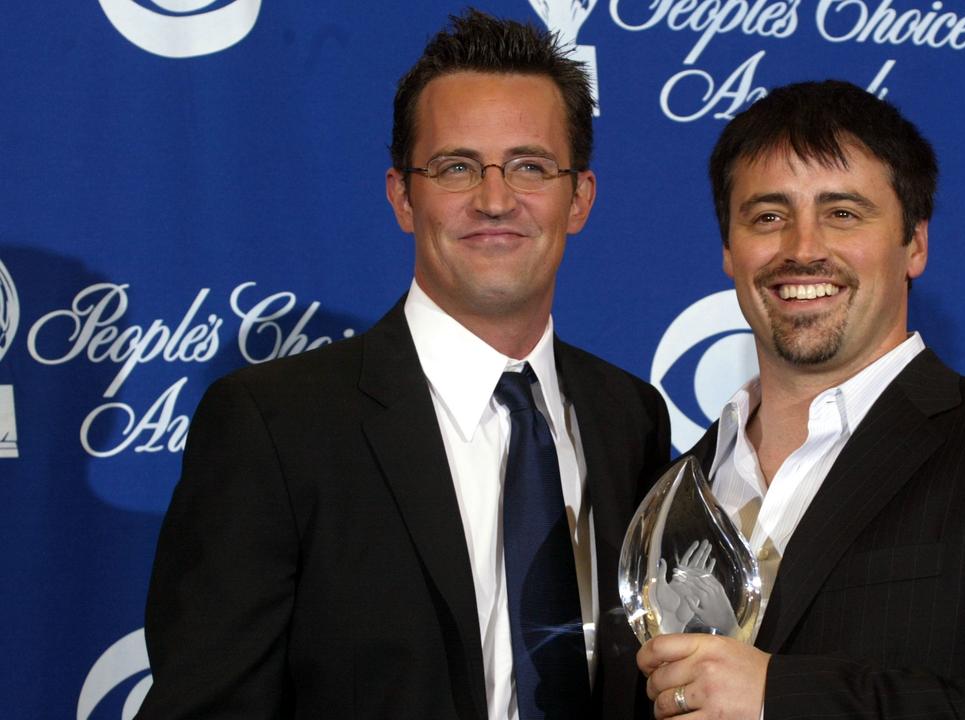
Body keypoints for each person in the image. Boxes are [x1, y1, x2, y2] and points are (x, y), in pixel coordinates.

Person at [138, 10, 670, 719]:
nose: (494, 199)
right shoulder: (274, 428)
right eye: (456, 167)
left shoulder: (628, 416)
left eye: (530, 166)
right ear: (402, 196)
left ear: (578, 199)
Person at [638, 80, 965, 719]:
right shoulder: (673, 490)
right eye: (768, 216)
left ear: (914, 244)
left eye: (843, 213)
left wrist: (781, 696)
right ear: (728, 250)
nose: (802, 249)